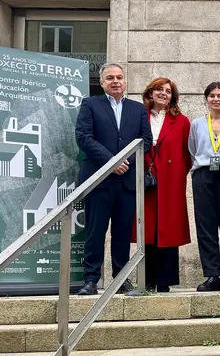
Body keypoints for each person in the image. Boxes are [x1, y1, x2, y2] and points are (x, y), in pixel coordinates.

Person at [75, 62, 152, 296]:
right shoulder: (90, 105)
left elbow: (145, 140)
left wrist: (123, 161)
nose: (116, 81)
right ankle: (90, 280)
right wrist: (112, 162)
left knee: (121, 233)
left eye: (119, 77)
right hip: (98, 180)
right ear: (102, 83)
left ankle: (120, 280)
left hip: (127, 181)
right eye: (110, 78)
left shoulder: (137, 109)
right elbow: (84, 138)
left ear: (125, 82)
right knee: (95, 231)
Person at [135, 78, 192, 292]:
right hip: (147, 180)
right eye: (159, 89)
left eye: (168, 91)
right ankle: (148, 279)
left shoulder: (182, 121)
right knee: (148, 229)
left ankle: (165, 281)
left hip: (170, 182)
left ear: (172, 97)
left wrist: (176, 175)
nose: (163, 94)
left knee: (169, 229)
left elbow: (187, 154)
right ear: (150, 93)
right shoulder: (140, 116)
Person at [188, 82, 220, 292]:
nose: (216, 99)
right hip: (203, 174)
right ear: (206, 99)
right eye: (212, 96)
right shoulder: (197, 124)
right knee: (206, 226)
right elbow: (192, 149)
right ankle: (212, 275)